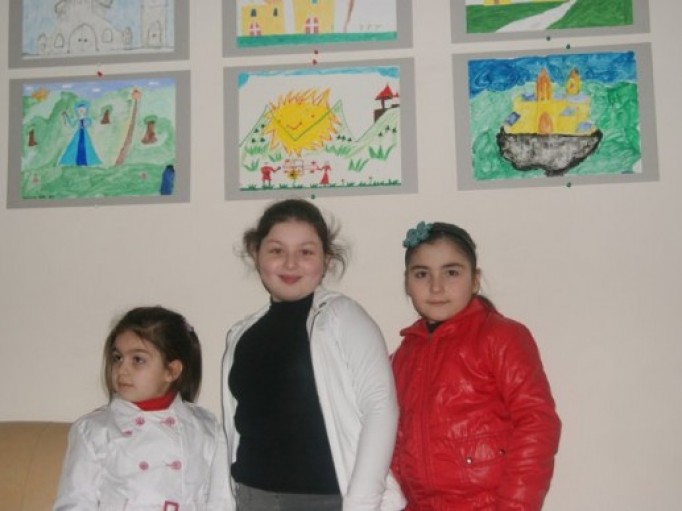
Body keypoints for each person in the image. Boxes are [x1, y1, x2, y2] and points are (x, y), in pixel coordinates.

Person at [222, 198, 404, 511]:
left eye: (306, 252)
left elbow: (380, 408)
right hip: (252, 497)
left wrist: (362, 503)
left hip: (329, 500)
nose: (290, 264)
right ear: (256, 253)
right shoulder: (241, 333)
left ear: (326, 259)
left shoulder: (343, 317)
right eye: (276, 251)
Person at [391, 221, 561, 511]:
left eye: (452, 272)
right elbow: (392, 438)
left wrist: (514, 507)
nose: (436, 286)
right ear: (407, 282)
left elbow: (537, 423)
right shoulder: (403, 355)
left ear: (475, 280)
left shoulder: (501, 337)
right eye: (422, 274)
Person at [54, 306, 230, 510]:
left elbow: (221, 502)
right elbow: (75, 502)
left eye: (138, 360)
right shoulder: (93, 430)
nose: (122, 369)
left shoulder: (206, 428)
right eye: (117, 357)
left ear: (172, 370)